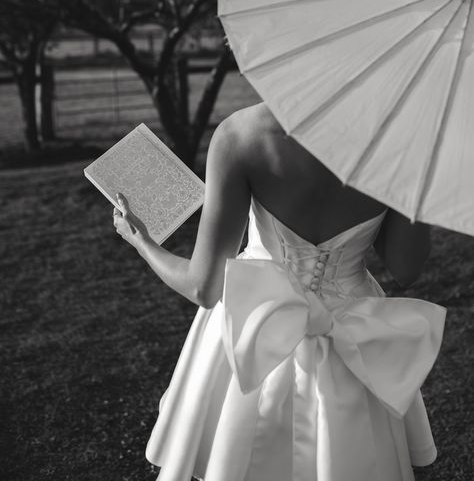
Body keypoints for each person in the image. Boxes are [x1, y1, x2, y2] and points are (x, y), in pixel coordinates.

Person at [113, 102, 446, 481]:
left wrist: (141, 241)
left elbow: (203, 287)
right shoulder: (401, 143)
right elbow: (406, 267)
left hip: (253, 323)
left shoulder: (242, 135)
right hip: (355, 343)